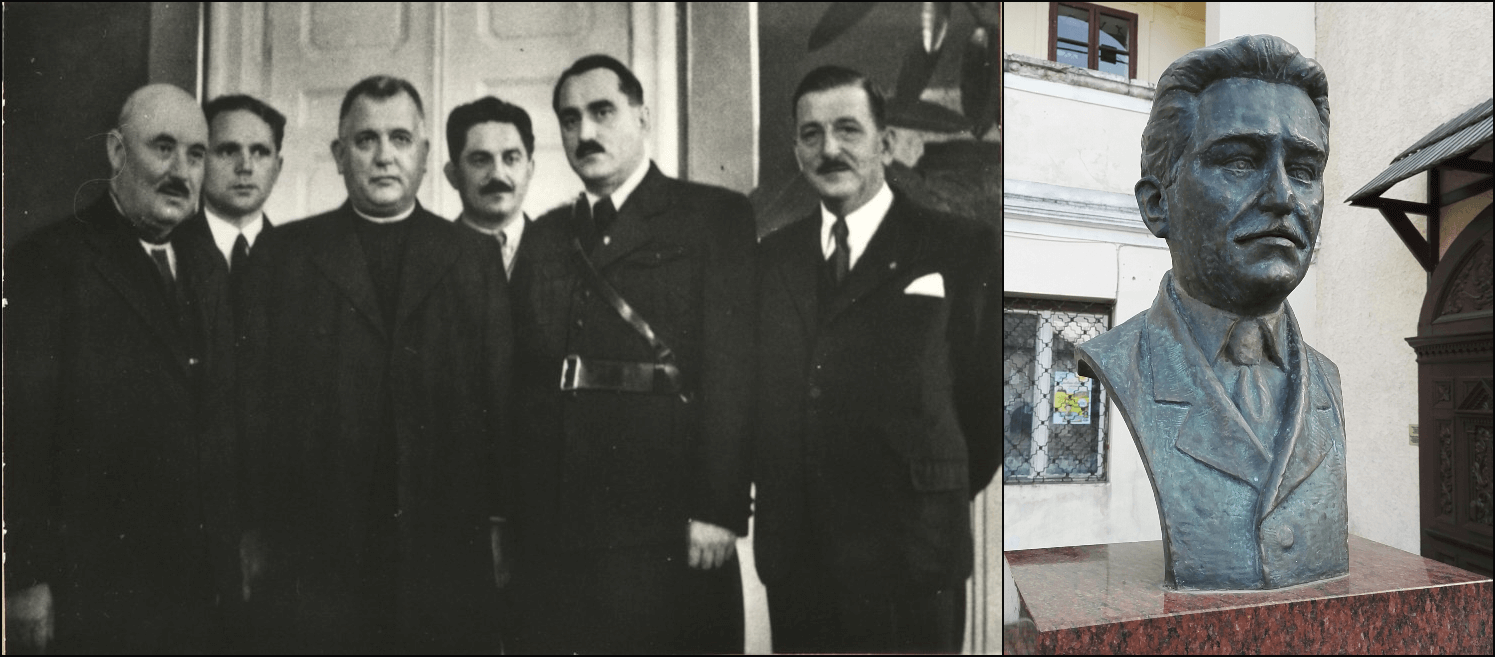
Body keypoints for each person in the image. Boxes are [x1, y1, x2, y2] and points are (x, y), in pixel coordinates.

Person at [239, 75, 512, 652]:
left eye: (399, 139)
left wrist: (498, 519)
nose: (384, 156)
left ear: (424, 153)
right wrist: (253, 526)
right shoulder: (285, 255)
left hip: (441, 542)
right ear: (339, 156)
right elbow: (251, 403)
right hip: (319, 546)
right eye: (365, 140)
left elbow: (499, 398)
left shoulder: (472, 257)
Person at [1076, 34, 1347, 591]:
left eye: (1303, 170)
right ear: (1157, 204)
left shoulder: (1328, 380)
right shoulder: (1122, 362)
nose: (1281, 197)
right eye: (1240, 161)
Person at [505, 54, 756, 653]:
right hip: (556, 523)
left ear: (642, 116)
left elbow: (735, 367)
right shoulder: (544, 236)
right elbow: (519, 379)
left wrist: (718, 506)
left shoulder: (712, 217)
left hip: (664, 521)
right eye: (570, 119)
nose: (585, 133)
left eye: (602, 112)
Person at [752, 65, 1000, 653]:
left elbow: (986, 405)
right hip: (801, 561)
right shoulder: (770, 259)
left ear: (885, 143)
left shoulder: (959, 247)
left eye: (847, 130)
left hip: (911, 556)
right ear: (795, 148)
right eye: (810, 134)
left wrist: (923, 491)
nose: (829, 148)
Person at [4, 83, 234, 652]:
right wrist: (24, 578)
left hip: (200, 584)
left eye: (196, 154)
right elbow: (19, 433)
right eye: (162, 148)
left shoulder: (207, 264)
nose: (181, 171)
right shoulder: (48, 262)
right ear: (115, 152)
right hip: (95, 587)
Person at [443, 96, 536, 280]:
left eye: (511, 159)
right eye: (480, 160)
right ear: (453, 175)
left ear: (529, 170)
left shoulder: (568, 257)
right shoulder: (425, 260)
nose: (497, 174)